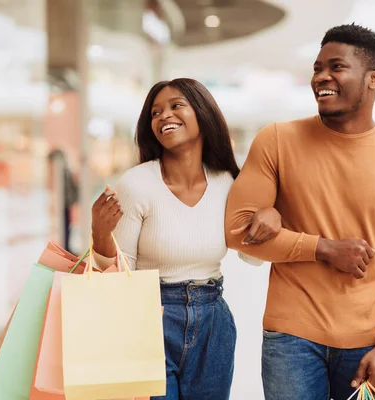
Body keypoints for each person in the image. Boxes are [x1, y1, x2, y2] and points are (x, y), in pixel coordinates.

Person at [225, 24, 375, 400]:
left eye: (336, 67)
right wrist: (324, 248)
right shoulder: (276, 140)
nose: (321, 77)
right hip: (290, 338)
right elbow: (238, 231)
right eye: (318, 67)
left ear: (374, 79)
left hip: (367, 340)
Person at [90, 78, 282, 400]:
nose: (164, 116)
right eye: (155, 112)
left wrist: (270, 217)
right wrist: (100, 235)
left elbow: (254, 257)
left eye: (176, 105)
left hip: (213, 325)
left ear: (203, 113)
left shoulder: (228, 183)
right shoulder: (137, 184)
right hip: (149, 319)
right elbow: (117, 277)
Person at [47, 149, 78, 253]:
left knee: (66, 226)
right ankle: (65, 247)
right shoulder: (65, 171)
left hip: (65, 203)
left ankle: (66, 248)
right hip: (65, 203)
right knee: (65, 226)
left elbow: (67, 190)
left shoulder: (63, 172)